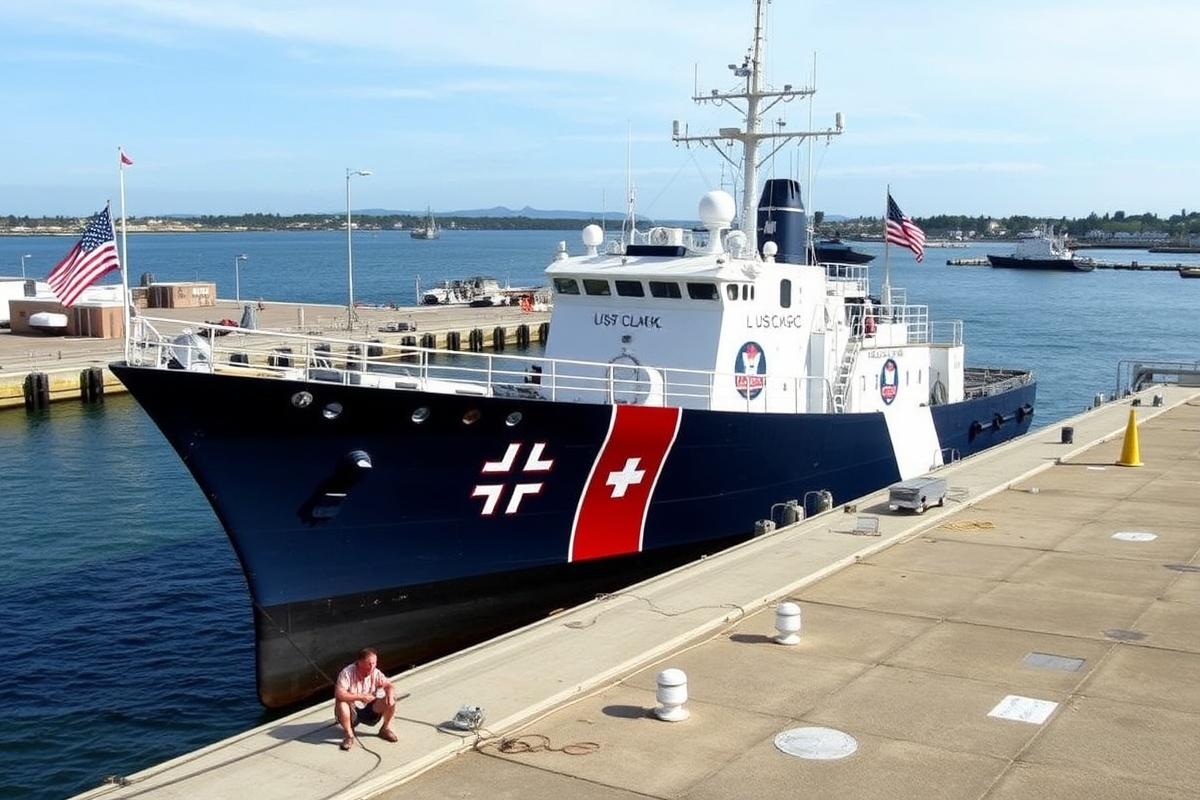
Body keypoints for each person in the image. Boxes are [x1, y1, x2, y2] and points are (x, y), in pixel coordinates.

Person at [334, 646, 398, 751]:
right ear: (360, 662)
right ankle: (349, 735)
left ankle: (385, 728)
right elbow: (339, 694)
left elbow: (389, 685)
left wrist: (390, 697)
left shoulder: (375, 673)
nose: (372, 667)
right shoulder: (347, 673)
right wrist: (360, 696)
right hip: (352, 711)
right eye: (369, 664)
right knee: (342, 703)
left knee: (392, 698)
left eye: (374, 663)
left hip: (369, 709)